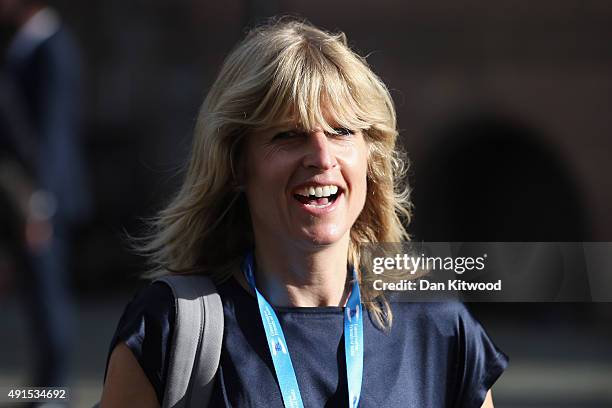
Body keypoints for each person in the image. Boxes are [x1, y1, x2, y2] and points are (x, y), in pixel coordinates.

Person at [101, 19, 507, 408]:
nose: (321, 156)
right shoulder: (170, 329)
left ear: (370, 156)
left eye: (342, 131)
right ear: (237, 165)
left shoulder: (440, 331)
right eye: (288, 135)